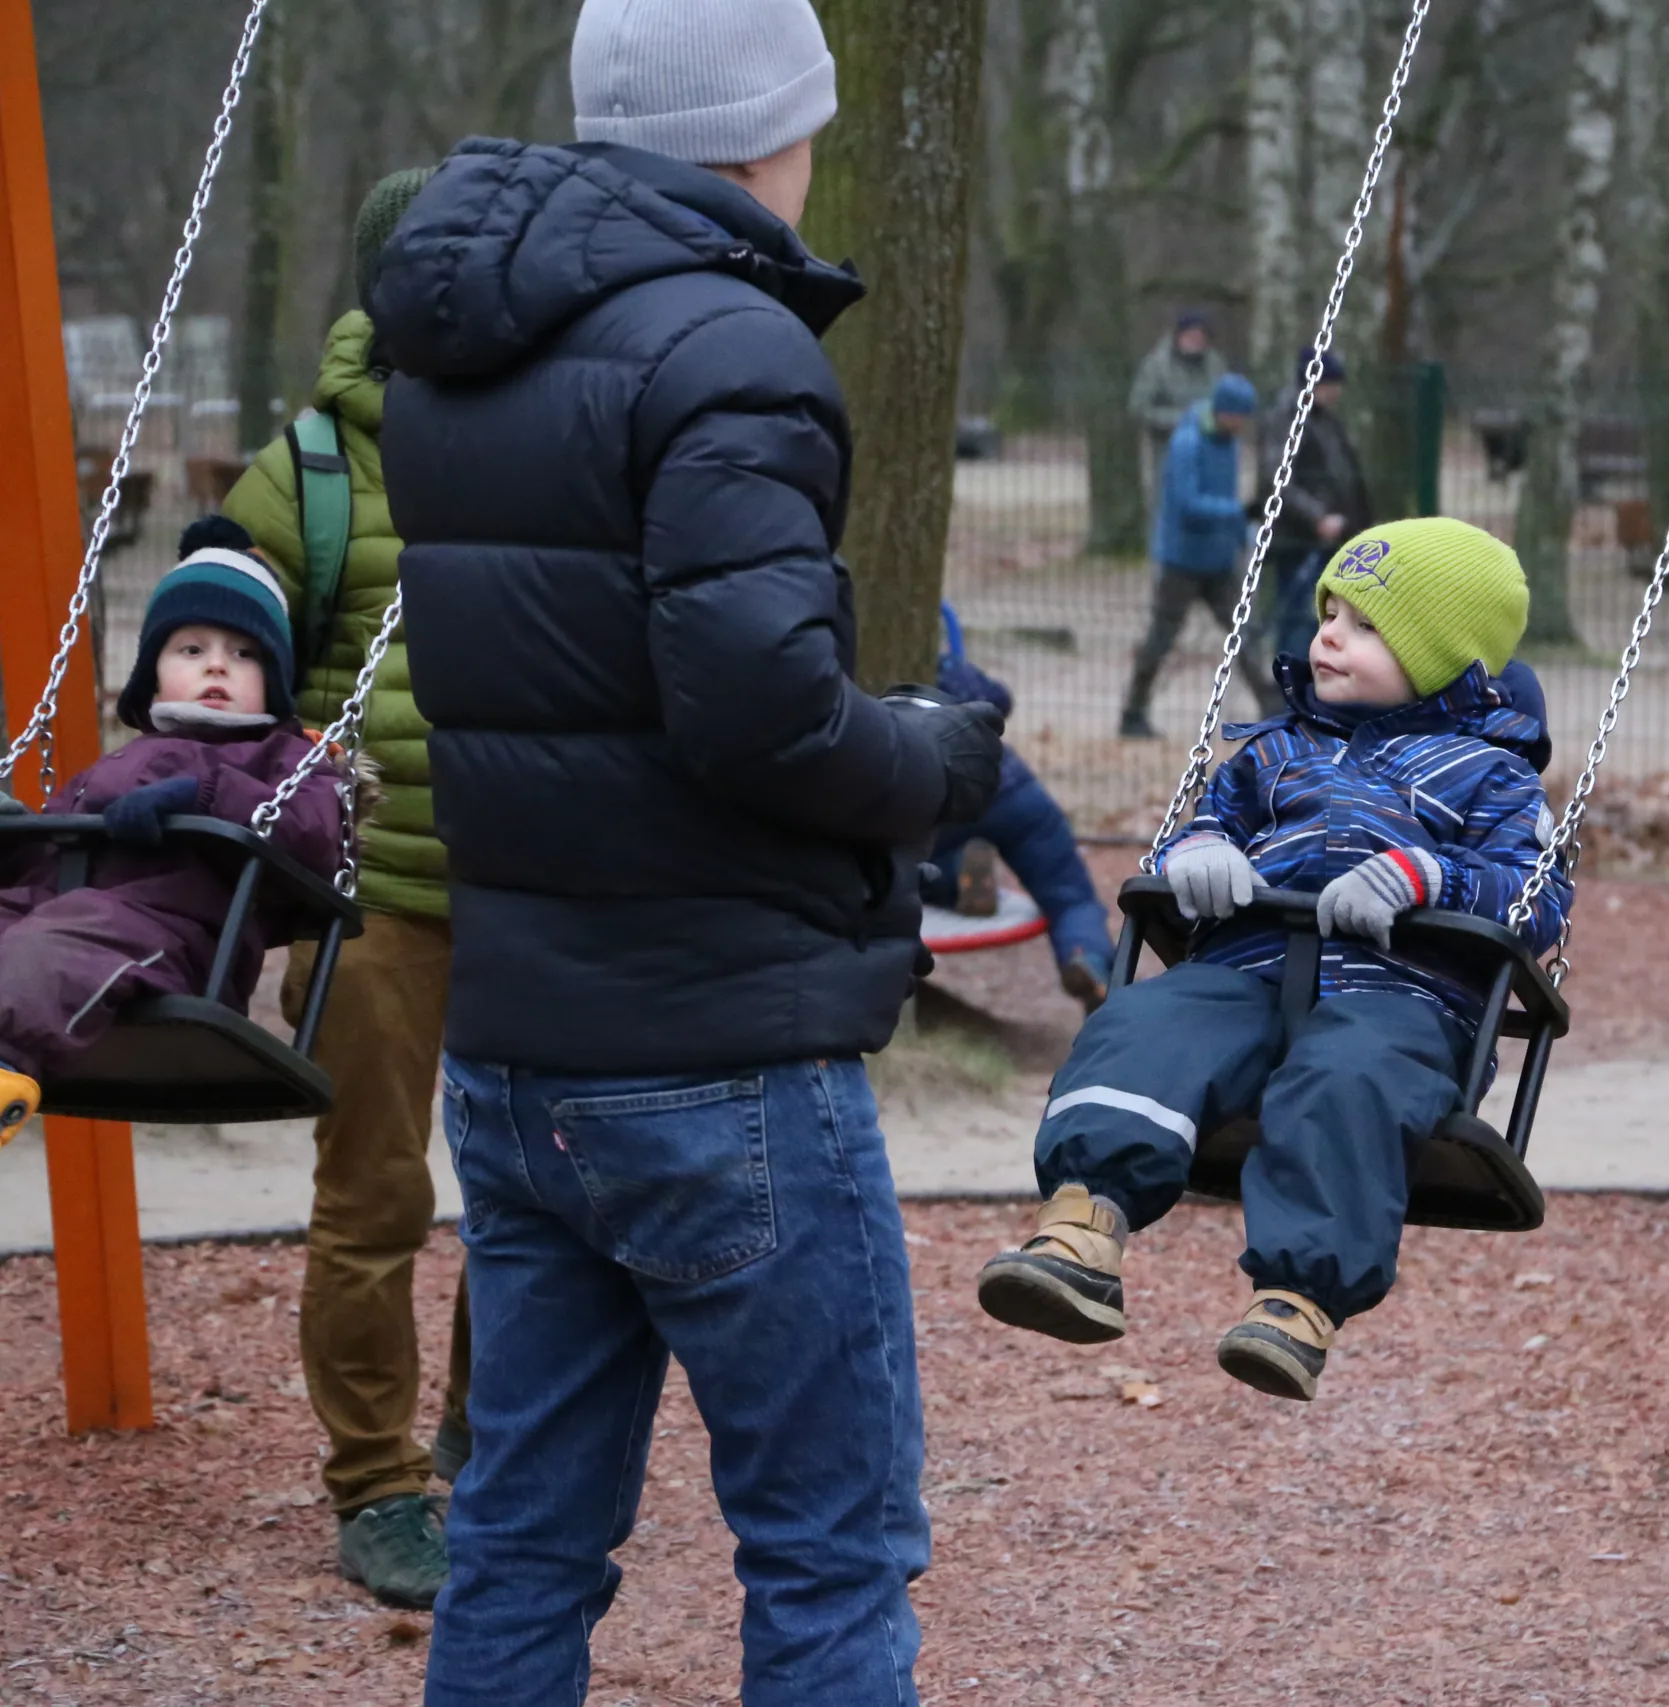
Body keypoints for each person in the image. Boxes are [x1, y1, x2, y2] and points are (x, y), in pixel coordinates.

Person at [368, 1, 1005, 1699]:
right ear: (767, 131)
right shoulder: (731, 348)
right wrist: (935, 758)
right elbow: (761, 719)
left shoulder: (462, 346)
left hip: (516, 1048)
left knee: (519, 1531)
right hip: (720, 1049)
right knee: (830, 1548)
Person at [978, 518, 1567, 1402]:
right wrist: (1200, 853)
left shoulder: (1493, 777)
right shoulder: (1273, 752)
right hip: (1245, 969)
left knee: (1350, 1076)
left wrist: (1425, 873)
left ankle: (1297, 1299)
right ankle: (1082, 1225)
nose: (1328, 634)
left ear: (1445, 654)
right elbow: (1215, 825)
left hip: (1398, 998)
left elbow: (1537, 897)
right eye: (1329, 612)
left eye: (1366, 625)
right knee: (1144, 1021)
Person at [221, 167, 465, 1613]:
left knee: (541, 1198)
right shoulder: (310, 467)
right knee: (374, 1194)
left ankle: (495, 1446)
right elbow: (215, 664)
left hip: (547, 883)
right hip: (373, 890)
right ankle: (375, 1475)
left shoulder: (560, 435)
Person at [0, 521, 349, 1144]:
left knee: (49, 953)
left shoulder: (287, 762)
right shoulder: (119, 760)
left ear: (272, 676)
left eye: (243, 653)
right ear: (153, 674)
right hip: (63, 910)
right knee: (29, 926)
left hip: (170, 935)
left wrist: (202, 795)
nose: (217, 664)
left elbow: (315, 834)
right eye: (191, 650)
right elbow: (54, 856)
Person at [928, 606, 1115, 1011]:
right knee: (1069, 891)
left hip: (935, 805)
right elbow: (999, 699)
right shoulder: (944, 669)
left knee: (914, 865)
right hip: (1008, 788)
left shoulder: (863, 671)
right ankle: (1087, 959)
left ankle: (958, 874)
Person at [1121, 372, 1281, 737]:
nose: (1242, 425)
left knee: (1243, 633)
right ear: (1224, 412)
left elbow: (1223, 496)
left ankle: (1272, 706)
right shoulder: (1187, 443)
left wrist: (1241, 535)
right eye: (1238, 417)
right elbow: (1188, 503)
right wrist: (1239, 512)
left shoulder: (1229, 443)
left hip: (1219, 559)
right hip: (1182, 560)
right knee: (1161, 639)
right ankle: (1133, 711)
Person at [1257, 345, 1373, 667]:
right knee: (1298, 617)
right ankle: (1290, 690)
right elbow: (1276, 476)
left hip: (1330, 537)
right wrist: (1317, 516)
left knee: (1319, 617)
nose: (1336, 392)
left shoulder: (1325, 420)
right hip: (1300, 538)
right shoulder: (1288, 419)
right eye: (1331, 385)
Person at [1127, 310, 1227, 490]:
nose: (1196, 341)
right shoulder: (1157, 365)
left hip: (1210, 448)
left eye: (1200, 336)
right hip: (1169, 449)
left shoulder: (1215, 364)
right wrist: (1182, 420)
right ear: (1179, 336)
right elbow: (1139, 408)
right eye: (1191, 335)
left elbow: (1225, 398)